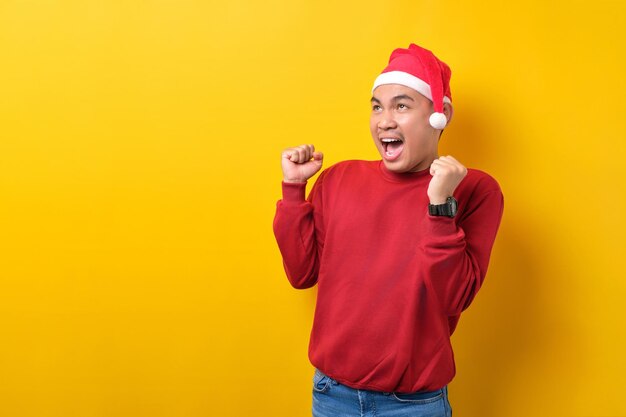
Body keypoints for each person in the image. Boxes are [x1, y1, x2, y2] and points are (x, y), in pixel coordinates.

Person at [273, 43, 504, 417]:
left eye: (401, 105)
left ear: (440, 114)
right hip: (332, 395)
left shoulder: (475, 190)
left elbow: (454, 298)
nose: (384, 120)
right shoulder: (337, 180)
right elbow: (301, 275)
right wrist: (294, 192)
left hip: (414, 405)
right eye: (377, 106)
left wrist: (440, 206)